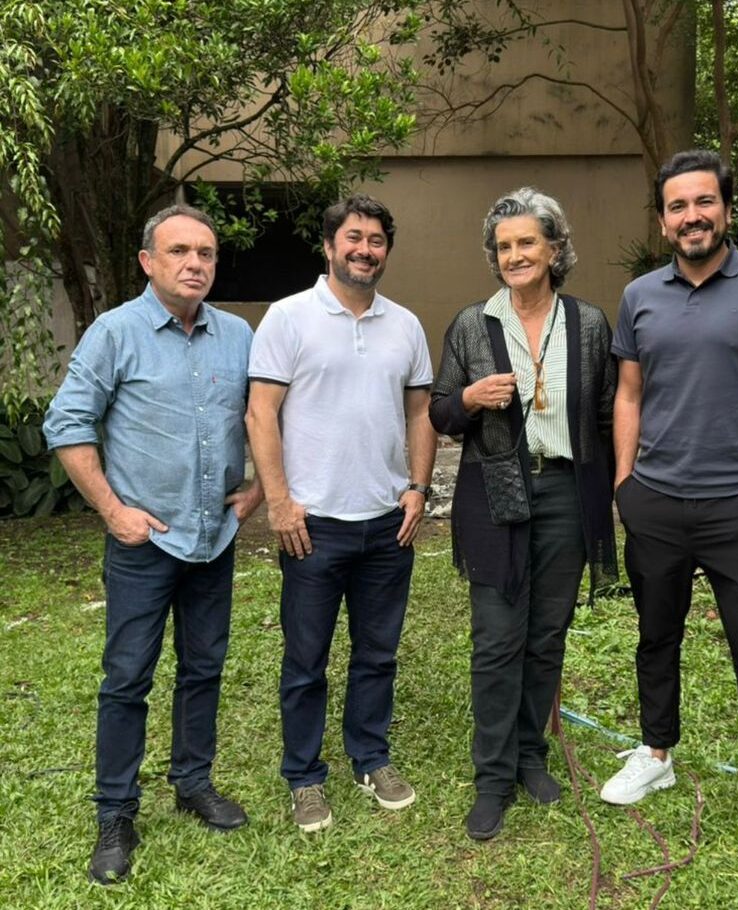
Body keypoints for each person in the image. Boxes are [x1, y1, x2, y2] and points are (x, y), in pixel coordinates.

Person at [600, 149, 738, 892]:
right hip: (657, 503)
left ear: (725, 208)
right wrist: (626, 483)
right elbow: (629, 394)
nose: (691, 216)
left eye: (704, 202)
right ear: (663, 219)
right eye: (677, 206)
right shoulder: (640, 296)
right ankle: (656, 754)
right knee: (655, 639)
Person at [43, 204, 263, 885]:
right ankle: (116, 812)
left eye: (206, 253)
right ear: (147, 261)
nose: (195, 263)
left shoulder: (238, 335)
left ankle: (193, 783)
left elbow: (267, 415)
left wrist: (259, 488)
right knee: (127, 678)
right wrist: (113, 511)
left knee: (204, 668)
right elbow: (67, 423)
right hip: (144, 545)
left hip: (214, 539)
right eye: (179, 252)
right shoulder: (116, 332)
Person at [430, 187, 618, 841]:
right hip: (494, 494)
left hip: (566, 491)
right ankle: (492, 778)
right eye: (504, 246)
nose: (514, 255)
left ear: (554, 249)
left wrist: (612, 487)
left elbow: (606, 415)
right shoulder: (471, 325)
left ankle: (530, 757)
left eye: (527, 242)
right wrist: (470, 399)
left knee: (546, 635)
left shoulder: (588, 324)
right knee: (496, 639)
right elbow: (440, 412)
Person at [245, 194, 436, 833]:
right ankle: (304, 776)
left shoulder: (405, 325)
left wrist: (417, 487)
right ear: (329, 246)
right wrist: (278, 500)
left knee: (377, 654)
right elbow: (261, 412)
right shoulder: (288, 317)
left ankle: (370, 757)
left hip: (387, 522)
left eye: (376, 240)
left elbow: (420, 412)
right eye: (353, 237)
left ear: (386, 251)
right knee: (306, 660)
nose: (365, 249)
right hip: (313, 526)